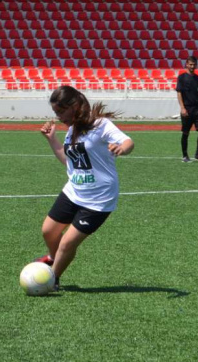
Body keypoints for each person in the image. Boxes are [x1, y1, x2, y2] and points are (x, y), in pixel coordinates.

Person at [36, 86, 134, 291]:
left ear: (74, 106)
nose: (59, 117)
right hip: (74, 191)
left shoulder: (101, 124)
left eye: (61, 112)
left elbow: (128, 142)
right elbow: (69, 163)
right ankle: (54, 259)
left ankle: (50, 280)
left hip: (98, 200)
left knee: (66, 244)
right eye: (56, 113)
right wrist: (52, 140)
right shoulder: (72, 130)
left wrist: (121, 149)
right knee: (48, 231)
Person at [175, 56, 198, 162]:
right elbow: (179, 93)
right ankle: (185, 155)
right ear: (186, 64)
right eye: (190, 64)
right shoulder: (182, 78)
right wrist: (182, 108)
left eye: (194, 64)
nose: (192, 66)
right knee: (186, 133)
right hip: (187, 109)